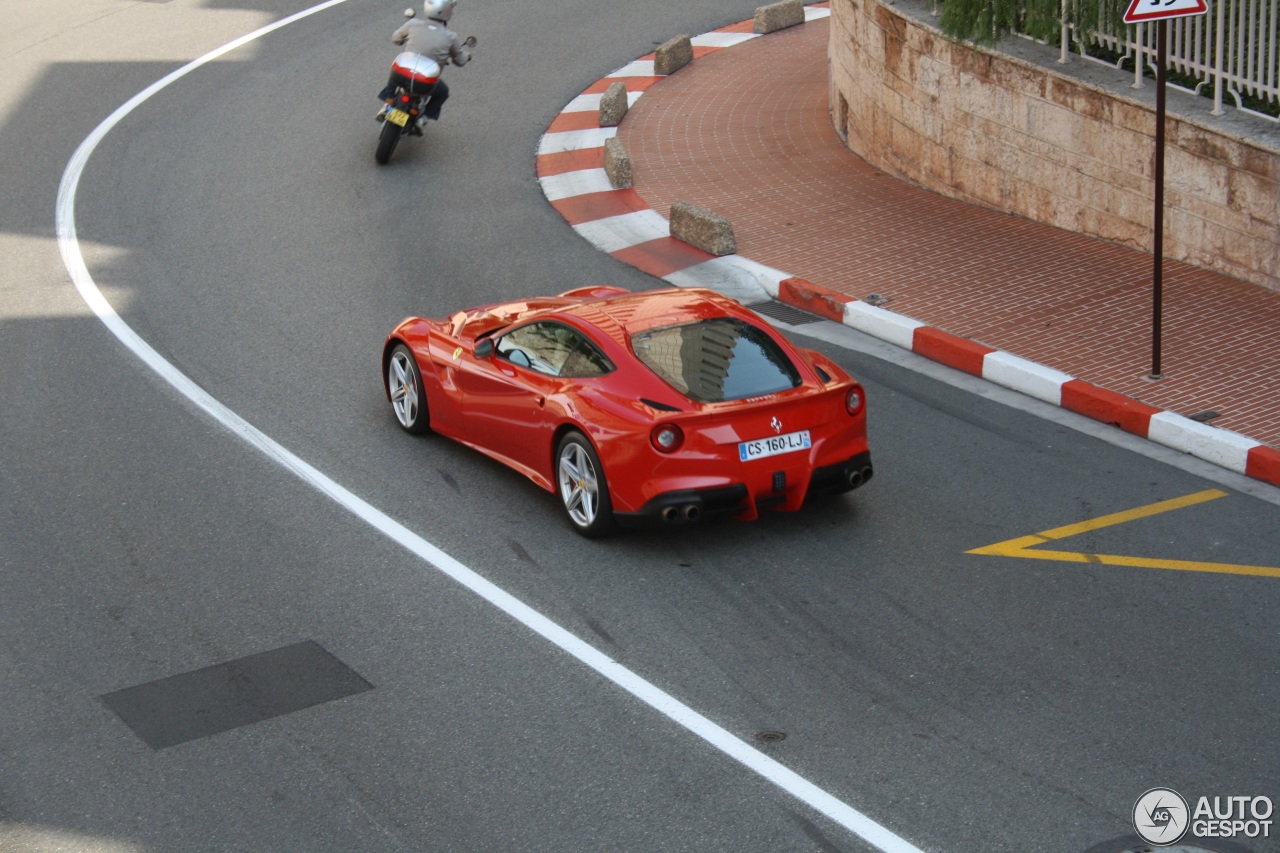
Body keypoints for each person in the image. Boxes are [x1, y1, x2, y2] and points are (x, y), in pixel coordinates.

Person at [378, 0, 471, 128]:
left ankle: (388, 101)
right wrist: (467, 56)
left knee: (397, 66)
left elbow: (395, 38)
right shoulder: (450, 37)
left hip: (403, 74)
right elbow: (460, 61)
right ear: (447, 11)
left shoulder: (413, 23)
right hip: (425, 81)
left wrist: (404, 38)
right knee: (443, 92)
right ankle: (423, 118)